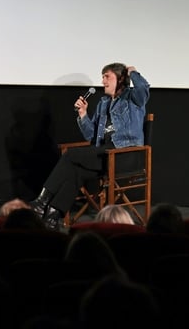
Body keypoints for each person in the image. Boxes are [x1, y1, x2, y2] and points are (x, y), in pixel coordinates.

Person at [30, 62, 150, 230]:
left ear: (121, 79)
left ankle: (41, 202)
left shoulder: (132, 98)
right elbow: (91, 136)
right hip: (104, 154)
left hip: (125, 155)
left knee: (71, 155)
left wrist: (133, 72)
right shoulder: (103, 103)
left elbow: (144, 89)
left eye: (107, 77)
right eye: (102, 77)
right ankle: (52, 215)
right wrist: (83, 114)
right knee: (75, 171)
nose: (103, 81)